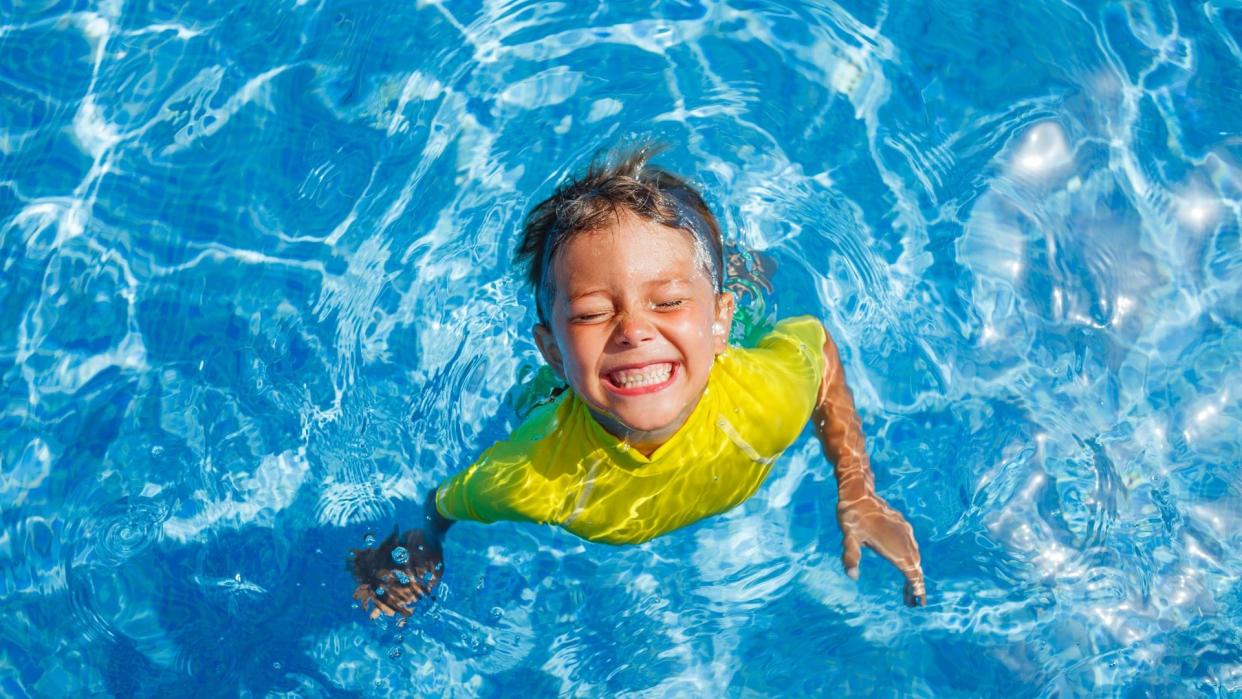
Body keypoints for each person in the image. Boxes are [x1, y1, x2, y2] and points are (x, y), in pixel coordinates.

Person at [349, 145, 925, 617]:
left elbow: (818, 345)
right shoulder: (534, 471)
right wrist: (419, 547)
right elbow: (442, 505)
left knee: (754, 285)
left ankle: (735, 280)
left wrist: (857, 490)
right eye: (593, 313)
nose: (633, 330)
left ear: (716, 322)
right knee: (531, 400)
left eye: (667, 301)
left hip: (728, 345)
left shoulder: (765, 399)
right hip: (560, 399)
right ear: (550, 347)